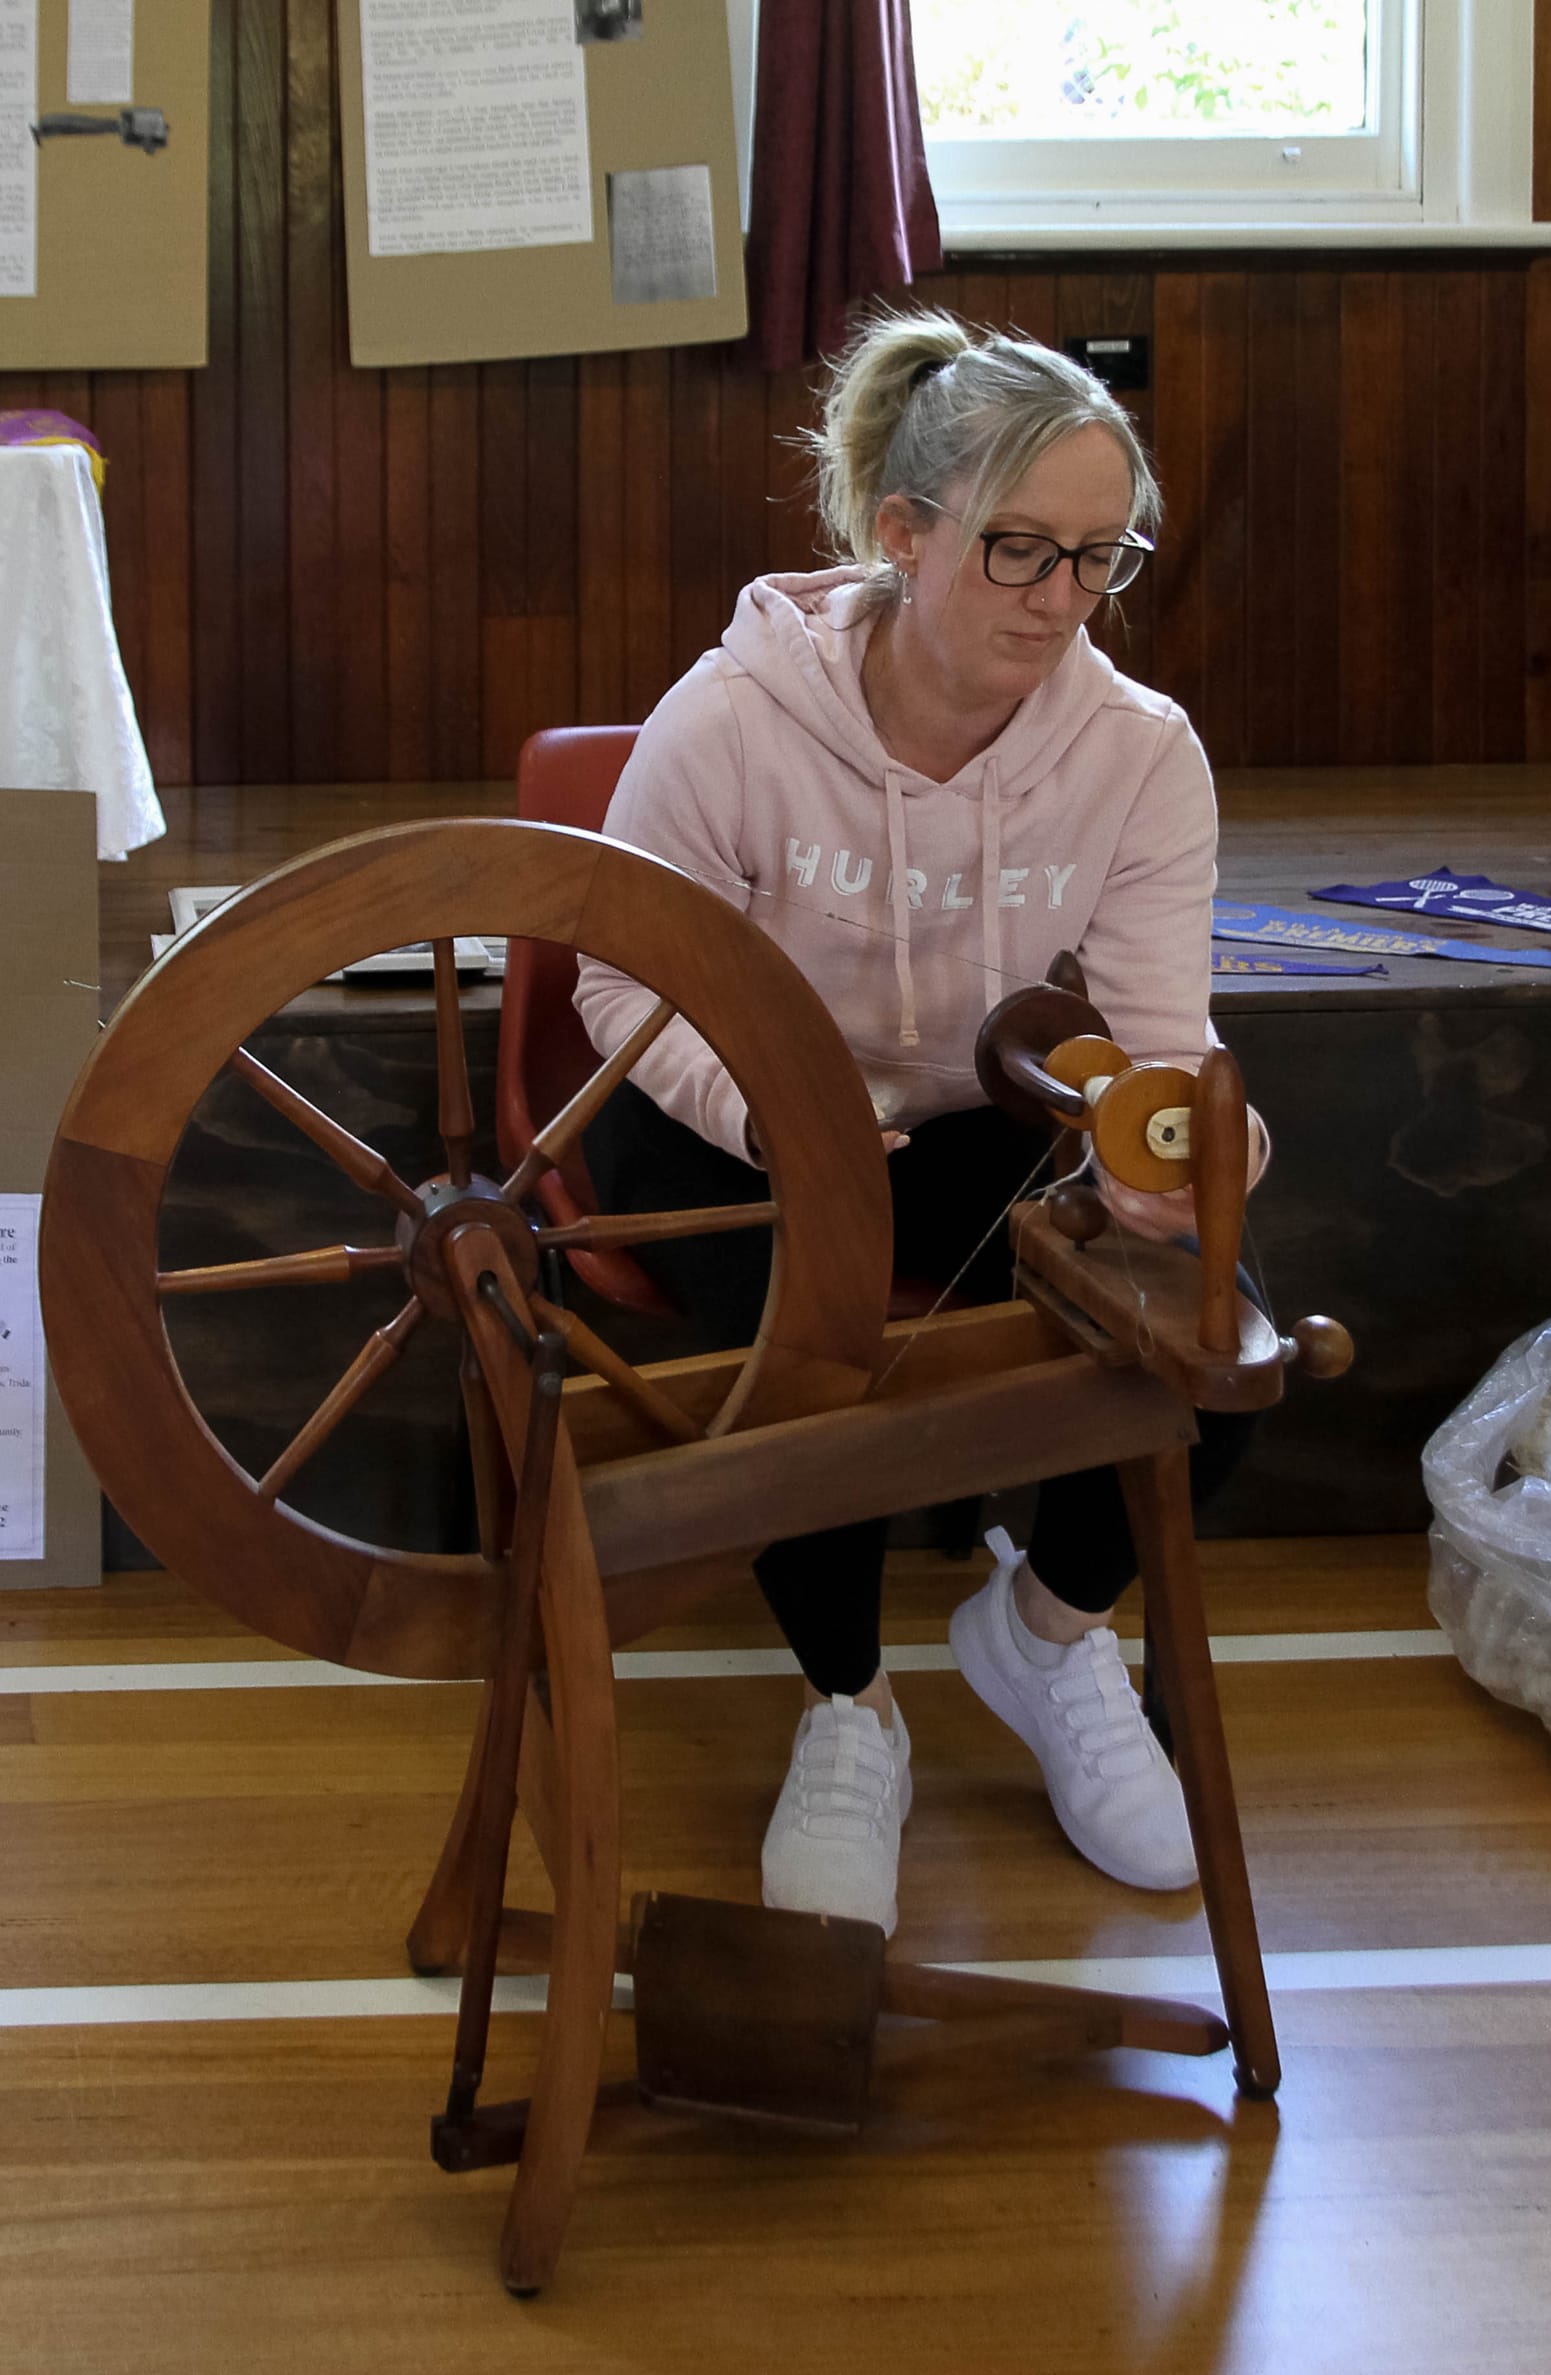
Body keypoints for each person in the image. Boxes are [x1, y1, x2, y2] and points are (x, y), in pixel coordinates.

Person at [576, 310, 1267, 1937]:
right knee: (802, 1356)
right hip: (718, 1106)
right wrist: (787, 1126)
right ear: (905, 531)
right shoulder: (734, 718)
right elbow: (625, 993)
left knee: (1218, 1350)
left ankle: (1040, 1636)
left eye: (1104, 559)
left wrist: (1181, 1162)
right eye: (1021, 552)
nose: (1062, 602)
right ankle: (848, 1709)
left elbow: (1161, 1045)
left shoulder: (1143, 756)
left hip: (972, 1100)